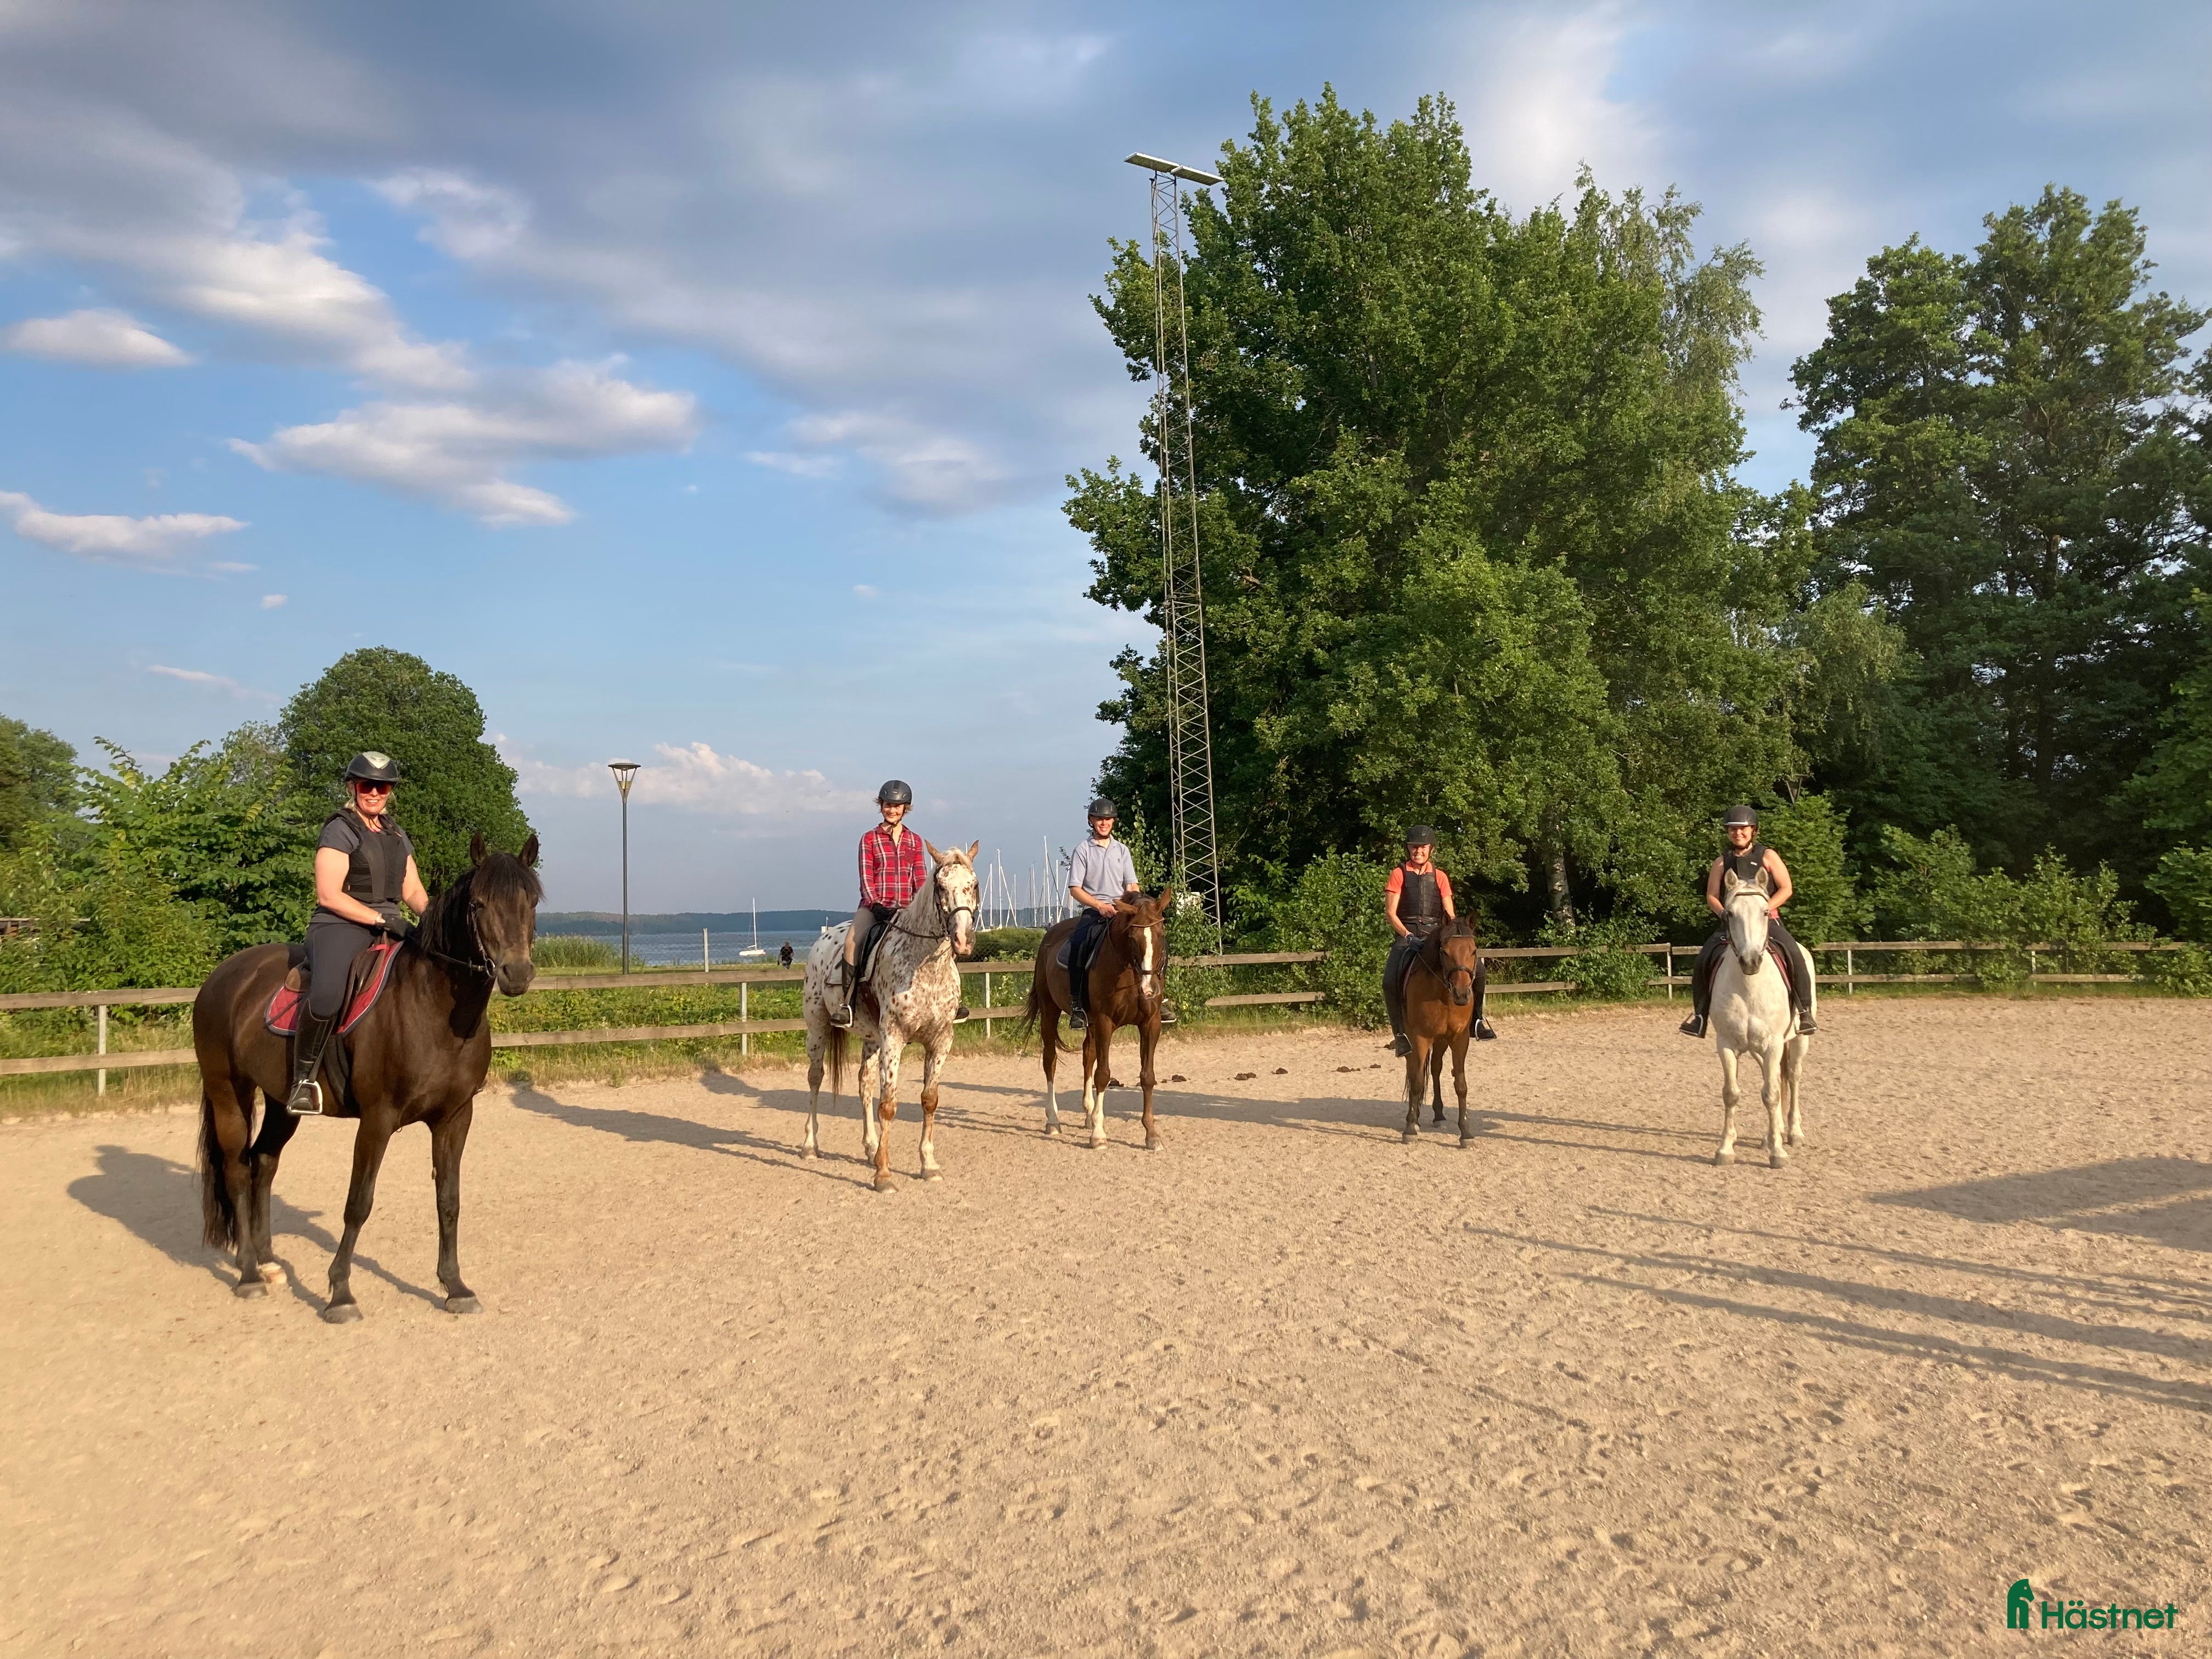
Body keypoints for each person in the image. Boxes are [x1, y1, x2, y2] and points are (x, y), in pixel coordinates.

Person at [286, 752, 429, 1114]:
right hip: (340, 925)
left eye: (382, 787)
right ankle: (303, 1079)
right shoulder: (340, 828)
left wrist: (433, 921)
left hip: (390, 924)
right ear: (353, 786)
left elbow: (412, 890)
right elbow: (328, 894)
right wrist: (381, 921)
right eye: (367, 785)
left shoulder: (396, 833)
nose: (375, 793)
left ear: (390, 792)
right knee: (330, 993)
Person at [827, 781, 968, 1027]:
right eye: (888, 805)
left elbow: (920, 879)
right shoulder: (869, 839)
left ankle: (952, 1002)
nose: (892, 810)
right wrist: (875, 903)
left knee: (944, 942)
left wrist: (915, 907)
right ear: (881, 806)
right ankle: (847, 1004)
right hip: (875, 908)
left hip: (907, 909)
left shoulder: (914, 841)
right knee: (851, 943)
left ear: (906, 809)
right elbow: (866, 877)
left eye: (897, 806)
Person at [1679, 805, 1816, 1038]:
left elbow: (1786, 888)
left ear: (1753, 830)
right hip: (1732, 923)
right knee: (1704, 959)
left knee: (1795, 954)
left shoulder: (1768, 856)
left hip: (1767, 922)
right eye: (1733, 829)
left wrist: (1766, 909)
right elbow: (1712, 895)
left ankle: (1805, 1012)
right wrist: (1723, 913)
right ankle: (1699, 1016)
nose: (1738, 833)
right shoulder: (1722, 862)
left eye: (1743, 829)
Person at [1380, 826, 1493, 1055]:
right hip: (1408, 933)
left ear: (1430, 849)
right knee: (1389, 980)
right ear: (1408, 849)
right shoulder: (1399, 874)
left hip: (1436, 933)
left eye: (1422, 847)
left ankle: (1478, 1021)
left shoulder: (1440, 876)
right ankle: (1400, 1034)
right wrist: (1408, 935)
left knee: (1479, 969)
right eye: (1414, 847)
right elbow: (1391, 913)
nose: (1418, 851)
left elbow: (1449, 912)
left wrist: (1454, 930)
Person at [1064, 797, 1143, 1032]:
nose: (1104, 822)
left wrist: (1129, 904)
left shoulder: (1123, 850)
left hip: (1121, 911)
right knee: (1078, 944)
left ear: (1113, 822)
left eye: (1108, 819)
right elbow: (1075, 889)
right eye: (1099, 818)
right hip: (1095, 911)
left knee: (1149, 941)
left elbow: (1132, 884)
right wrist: (1099, 906)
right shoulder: (1082, 850)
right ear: (1091, 821)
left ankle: (1155, 996)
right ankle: (1077, 1004)